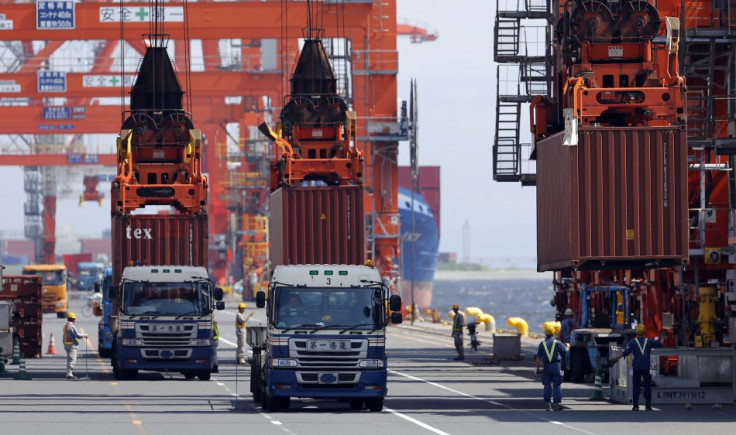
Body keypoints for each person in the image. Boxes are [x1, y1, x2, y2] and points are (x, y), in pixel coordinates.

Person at [611, 324, 663, 411]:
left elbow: (626, 352)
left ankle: (635, 406)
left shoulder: (633, 342)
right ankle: (648, 406)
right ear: (644, 332)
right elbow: (660, 344)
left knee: (636, 386)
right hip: (646, 367)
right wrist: (663, 337)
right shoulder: (649, 341)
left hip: (637, 367)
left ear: (637, 332)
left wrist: (615, 358)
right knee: (647, 387)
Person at [535, 323, 567, 411]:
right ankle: (556, 404)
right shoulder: (558, 343)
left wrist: (536, 370)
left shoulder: (542, 344)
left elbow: (538, 357)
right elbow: (565, 350)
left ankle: (547, 404)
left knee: (547, 385)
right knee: (557, 384)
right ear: (554, 333)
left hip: (546, 367)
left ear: (545, 334)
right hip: (556, 366)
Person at [63, 312, 88, 380]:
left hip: (66, 344)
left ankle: (68, 373)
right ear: (73, 319)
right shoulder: (71, 326)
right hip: (71, 345)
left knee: (69, 359)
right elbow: (77, 335)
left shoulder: (66, 325)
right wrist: (84, 335)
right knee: (72, 360)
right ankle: (69, 374)